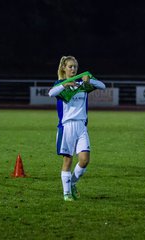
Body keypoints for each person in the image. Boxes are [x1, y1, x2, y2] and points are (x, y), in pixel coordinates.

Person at [48, 56, 106, 201]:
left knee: (85, 160)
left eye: (75, 66)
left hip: (81, 126)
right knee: (67, 161)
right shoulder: (60, 84)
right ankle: (66, 194)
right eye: (70, 66)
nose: (73, 69)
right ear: (64, 68)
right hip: (66, 127)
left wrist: (89, 80)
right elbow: (51, 93)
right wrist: (65, 85)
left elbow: (102, 86)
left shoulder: (82, 84)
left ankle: (72, 183)